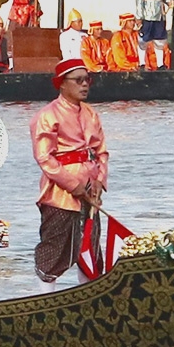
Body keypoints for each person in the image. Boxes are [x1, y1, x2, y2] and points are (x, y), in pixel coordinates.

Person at [28, 59, 109, 292]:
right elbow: (44, 158)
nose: (84, 85)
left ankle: (90, 297)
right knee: (54, 248)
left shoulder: (91, 114)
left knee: (90, 247)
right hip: (60, 193)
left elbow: (101, 152)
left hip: (91, 189)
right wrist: (73, 185)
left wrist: (100, 181)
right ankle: (45, 300)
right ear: (62, 84)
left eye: (87, 80)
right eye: (78, 80)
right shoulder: (47, 116)